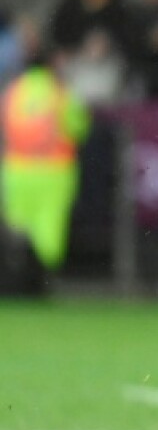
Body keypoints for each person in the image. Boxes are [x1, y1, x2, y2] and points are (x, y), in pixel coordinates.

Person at [0, 62, 91, 289]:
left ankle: (14, 279)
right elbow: (78, 127)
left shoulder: (12, 92)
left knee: (17, 228)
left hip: (17, 172)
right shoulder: (60, 93)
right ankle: (41, 282)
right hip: (54, 171)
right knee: (49, 232)